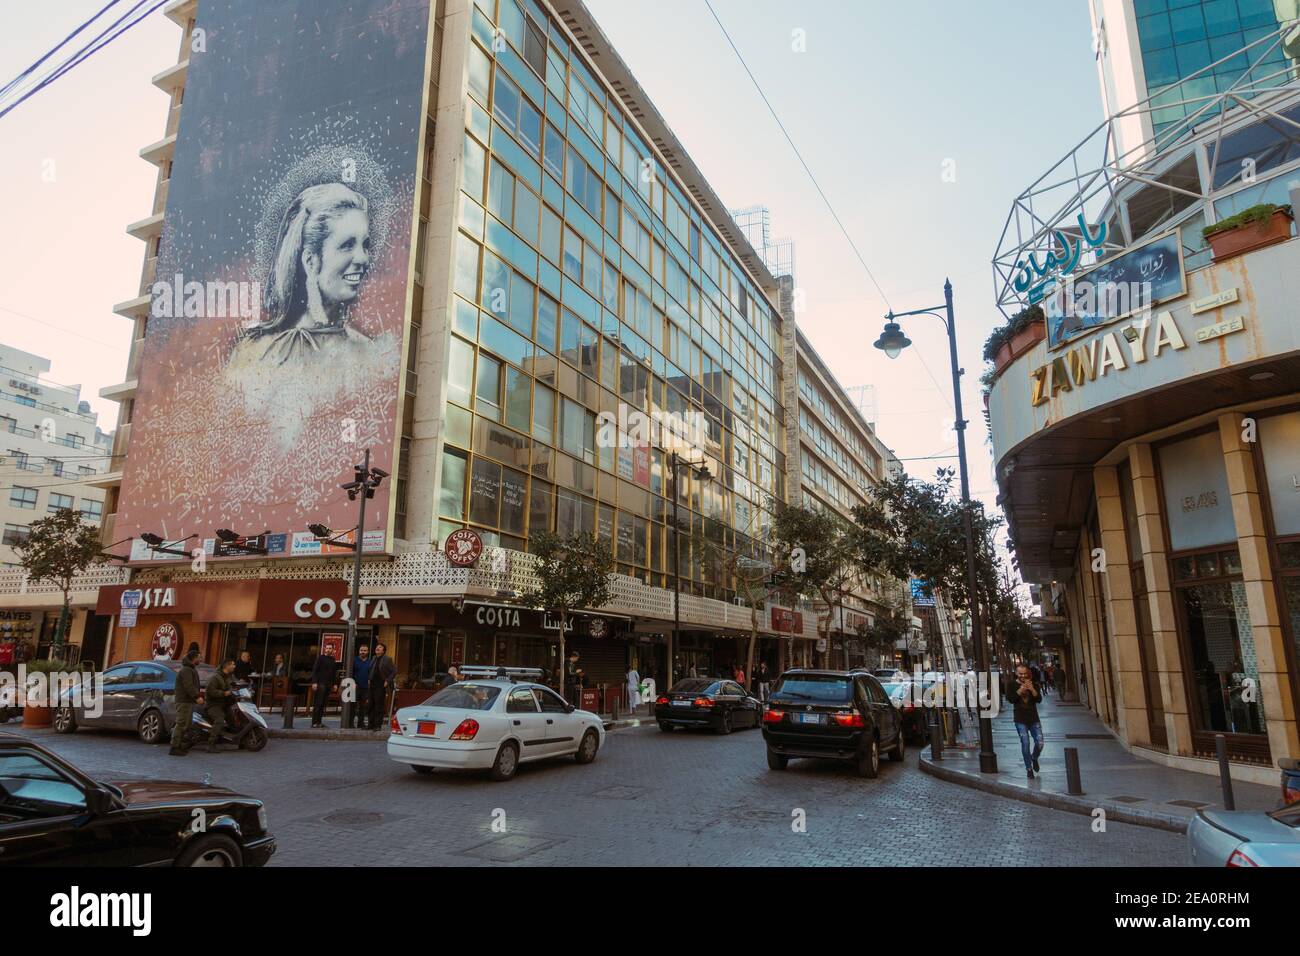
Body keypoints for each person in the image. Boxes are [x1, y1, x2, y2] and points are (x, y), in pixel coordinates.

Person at [1007, 664, 1044, 779]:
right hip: (1020, 719)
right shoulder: (1012, 685)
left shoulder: (1034, 684)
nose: (1023, 676)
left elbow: (1039, 700)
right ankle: (1029, 769)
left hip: (1033, 718)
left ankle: (1034, 758)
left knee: (1040, 742)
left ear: (1027, 673)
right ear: (1016, 673)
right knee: (1025, 743)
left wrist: (1032, 689)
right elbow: (1011, 699)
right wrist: (1020, 690)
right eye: (1020, 674)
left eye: (1025, 673)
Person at [169, 649, 202, 756]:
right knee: (181, 723)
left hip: (187, 701)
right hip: (184, 701)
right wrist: (196, 696)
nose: (200, 659)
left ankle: (179, 745)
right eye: (199, 657)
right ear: (194, 658)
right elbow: (189, 686)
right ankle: (174, 747)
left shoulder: (190, 669)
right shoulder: (187, 670)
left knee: (186, 724)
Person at [204, 660, 238, 753]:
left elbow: (234, 685)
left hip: (225, 703)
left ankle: (236, 740)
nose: (234, 666)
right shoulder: (215, 677)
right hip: (213, 704)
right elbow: (210, 692)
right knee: (219, 720)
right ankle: (211, 744)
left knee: (232, 720)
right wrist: (223, 693)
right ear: (226, 666)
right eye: (233, 664)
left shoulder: (229, 676)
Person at [367, 642, 397, 731]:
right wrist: (369, 678)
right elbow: (371, 670)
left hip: (381, 684)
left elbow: (394, 671)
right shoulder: (373, 658)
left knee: (378, 705)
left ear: (383, 651)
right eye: (377, 647)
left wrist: (388, 681)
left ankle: (377, 725)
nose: (378, 648)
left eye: (380, 648)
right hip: (372, 684)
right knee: (370, 705)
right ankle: (370, 724)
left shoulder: (387, 659)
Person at [310, 646, 338, 728]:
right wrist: (314, 682)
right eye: (327, 648)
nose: (328, 650)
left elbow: (334, 673)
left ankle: (319, 722)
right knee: (318, 703)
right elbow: (315, 670)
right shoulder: (320, 658)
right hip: (320, 683)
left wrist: (335, 684)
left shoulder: (333, 660)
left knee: (323, 704)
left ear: (333, 650)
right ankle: (314, 722)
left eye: (330, 648)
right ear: (325, 649)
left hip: (328, 684)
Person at [350, 643, 372, 729]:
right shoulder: (354, 660)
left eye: (365, 650)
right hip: (354, 686)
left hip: (365, 687)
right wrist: (353, 682)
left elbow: (371, 673)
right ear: (359, 651)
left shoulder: (370, 662)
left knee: (363, 707)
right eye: (361, 650)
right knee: (353, 706)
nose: (363, 652)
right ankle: (350, 723)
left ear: (367, 651)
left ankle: (361, 723)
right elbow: (350, 672)